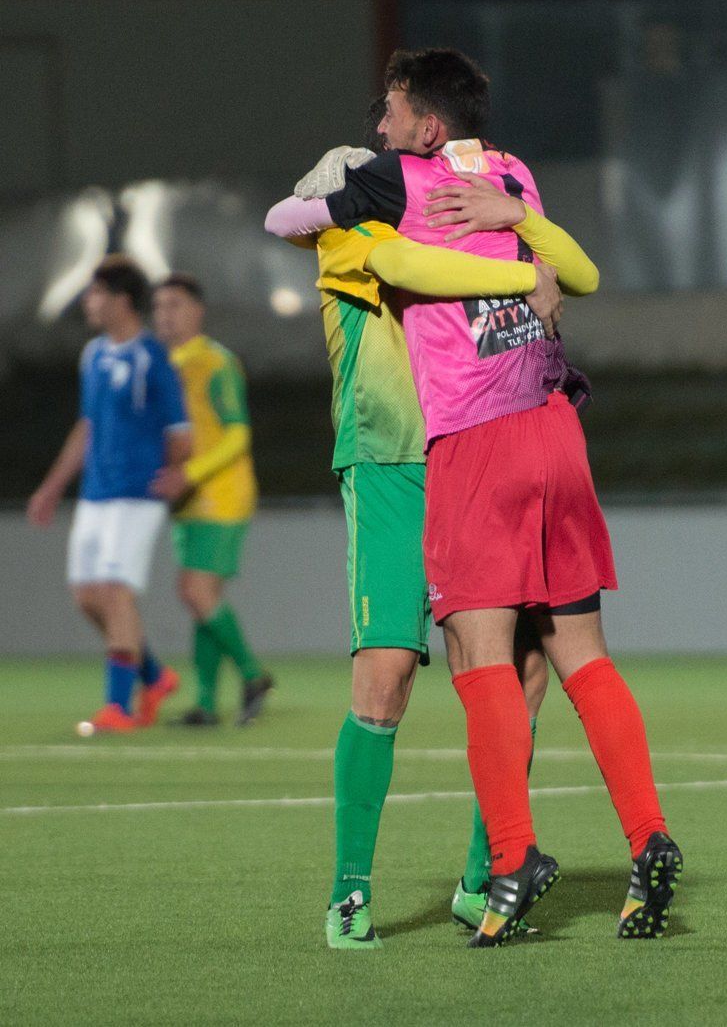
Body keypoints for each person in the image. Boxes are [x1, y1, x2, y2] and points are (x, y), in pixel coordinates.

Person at [266, 48, 683, 948]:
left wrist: (520, 234)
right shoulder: (357, 235)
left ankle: (491, 873)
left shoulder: (454, 192)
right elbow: (417, 263)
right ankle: (351, 891)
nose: (382, 131)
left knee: (520, 672)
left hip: (475, 454)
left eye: (391, 115)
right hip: (393, 465)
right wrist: (528, 262)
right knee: (387, 679)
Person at [27, 255, 188, 732]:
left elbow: (182, 431)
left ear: (121, 300)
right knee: (86, 596)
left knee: (115, 593)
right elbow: (88, 427)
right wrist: (52, 487)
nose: (88, 301)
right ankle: (154, 677)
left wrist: (178, 472)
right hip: (96, 493)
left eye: (96, 293)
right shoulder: (92, 356)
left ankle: (117, 708)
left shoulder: (152, 357)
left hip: (136, 495)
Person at [151, 273, 273, 727]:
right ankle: (205, 702)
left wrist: (192, 473)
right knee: (202, 599)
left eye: (176, 304)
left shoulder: (214, 362)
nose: (166, 314)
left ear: (198, 310)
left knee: (194, 591)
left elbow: (238, 433)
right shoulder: (166, 364)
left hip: (219, 495)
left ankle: (253, 674)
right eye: (160, 306)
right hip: (187, 497)